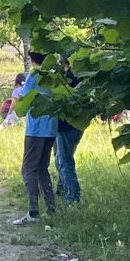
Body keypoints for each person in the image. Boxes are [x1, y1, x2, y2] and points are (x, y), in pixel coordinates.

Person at [12, 52, 58, 224]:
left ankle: (33, 211)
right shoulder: (53, 75)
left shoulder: (34, 74)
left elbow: (23, 98)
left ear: (32, 60)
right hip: (51, 127)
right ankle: (51, 207)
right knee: (42, 168)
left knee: (28, 168)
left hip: (36, 128)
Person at [54, 56, 84, 204]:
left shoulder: (70, 79)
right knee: (61, 160)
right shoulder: (79, 77)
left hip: (66, 126)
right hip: (75, 125)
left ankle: (72, 196)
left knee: (65, 162)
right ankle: (64, 190)